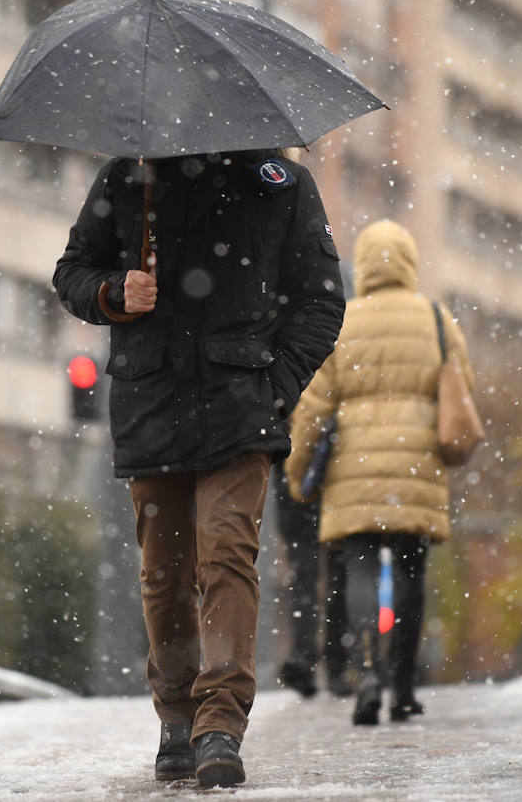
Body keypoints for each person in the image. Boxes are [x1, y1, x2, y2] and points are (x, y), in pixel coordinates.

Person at [52, 149, 345, 788]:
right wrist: (112, 291)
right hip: (150, 403)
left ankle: (220, 723)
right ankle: (177, 718)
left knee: (227, 555)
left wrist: (275, 387)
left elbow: (321, 302)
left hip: (240, 410)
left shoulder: (280, 183)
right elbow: (71, 271)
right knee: (164, 574)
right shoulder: (129, 176)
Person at [284, 219, 475, 726]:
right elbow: (462, 387)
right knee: (412, 575)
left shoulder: (342, 322)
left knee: (361, 569)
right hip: (416, 468)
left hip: (356, 472)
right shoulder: (436, 319)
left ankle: (367, 673)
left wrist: (297, 469)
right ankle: (404, 687)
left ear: (364, 266)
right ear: (409, 263)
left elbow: (314, 407)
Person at [271, 460, 352, 698]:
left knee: (305, 579)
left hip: (296, 485)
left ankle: (304, 657)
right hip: (336, 483)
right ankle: (335, 664)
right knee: (339, 576)